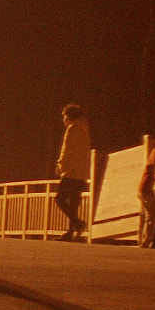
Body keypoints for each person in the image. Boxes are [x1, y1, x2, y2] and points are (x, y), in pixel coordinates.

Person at [53, 103, 92, 241]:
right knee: (74, 202)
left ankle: (78, 223)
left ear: (68, 117)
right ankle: (70, 232)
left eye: (64, 117)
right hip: (81, 173)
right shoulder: (84, 130)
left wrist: (61, 164)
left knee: (60, 199)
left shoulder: (72, 129)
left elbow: (67, 150)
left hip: (72, 172)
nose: (63, 120)